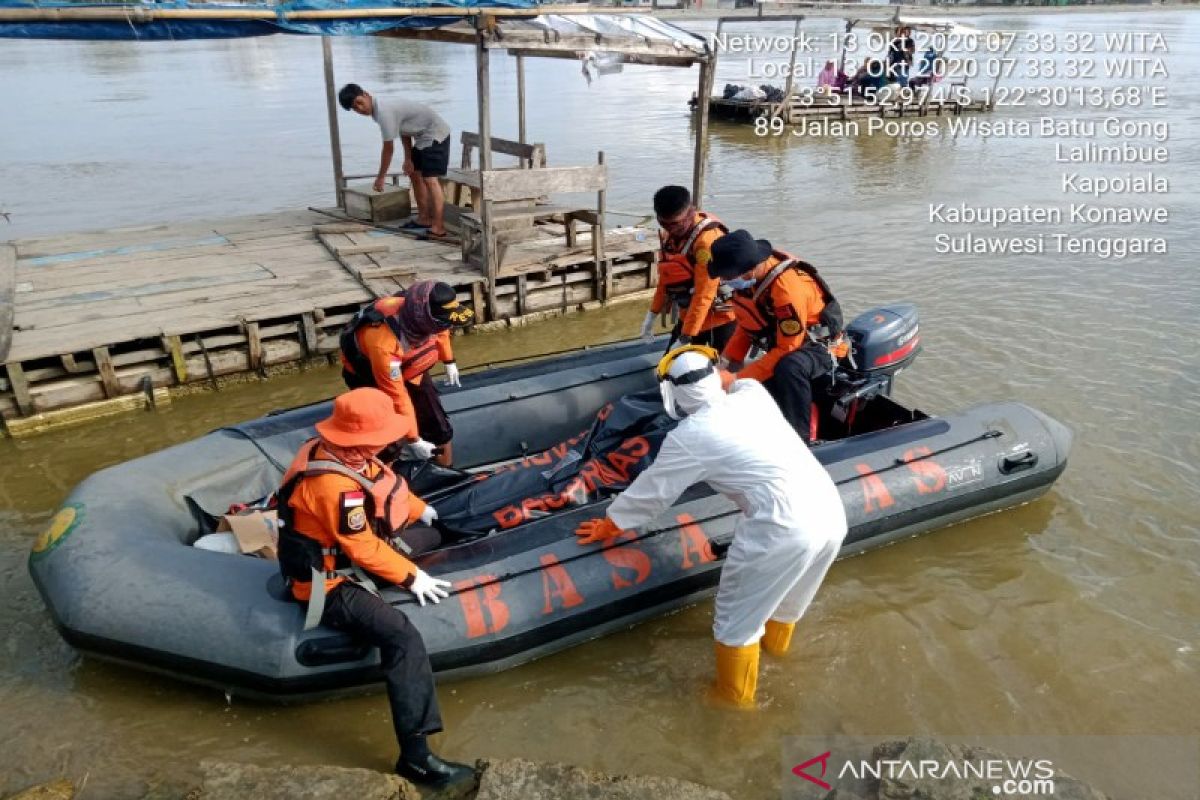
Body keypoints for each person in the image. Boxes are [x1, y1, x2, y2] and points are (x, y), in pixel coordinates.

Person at [574, 346, 848, 707]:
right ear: (714, 374)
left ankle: (733, 706)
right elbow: (734, 380)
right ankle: (780, 659)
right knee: (787, 602)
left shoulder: (690, 437)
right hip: (829, 509)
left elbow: (653, 492)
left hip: (782, 525)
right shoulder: (753, 395)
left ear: (671, 394)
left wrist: (611, 524)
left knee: (736, 624)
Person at [275, 388, 473, 787]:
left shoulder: (336, 451)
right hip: (327, 582)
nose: (389, 441)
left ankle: (417, 549)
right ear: (362, 439)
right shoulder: (333, 486)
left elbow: (384, 484)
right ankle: (416, 758)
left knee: (432, 537)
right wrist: (412, 577)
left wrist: (422, 511)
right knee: (401, 636)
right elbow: (360, 544)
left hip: (350, 556)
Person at [706, 230, 846, 444]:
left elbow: (787, 348)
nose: (725, 281)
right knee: (758, 381)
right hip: (787, 342)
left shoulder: (786, 289)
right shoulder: (749, 284)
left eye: (727, 277)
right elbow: (747, 325)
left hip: (822, 346)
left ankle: (801, 439)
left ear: (750, 270)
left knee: (789, 367)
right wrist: (724, 363)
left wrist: (737, 379)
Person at [340, 281, 474, 467]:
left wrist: (449, 360)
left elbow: (441, 328)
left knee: (437, 425)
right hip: (372, 376)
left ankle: (446, 471)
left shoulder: (424, 311)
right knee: (384, 434)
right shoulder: (384, 343)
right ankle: (385, 477)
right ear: (425, 319)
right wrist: (413, 439)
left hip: (411, 368)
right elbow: (397, 395)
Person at [338, 83, 452, 240]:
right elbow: (404, 129)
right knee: (414, 174)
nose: (360, 109)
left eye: (359, 103)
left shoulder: (384, 111)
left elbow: (388, 149)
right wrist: (408, 159)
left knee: (430, 179)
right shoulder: (379, 110)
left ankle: (438, 227)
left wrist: (381, 177)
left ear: (365, 94)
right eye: (355, 109)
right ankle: (424, 219)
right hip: (421, 136)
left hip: (436, 133)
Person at [640, 186, 737, 351]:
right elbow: (666, 277)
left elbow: (704, 293)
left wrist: (686, 336)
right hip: (690, 314)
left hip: (720, 317)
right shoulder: (669, 236)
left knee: (722, 371)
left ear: (691, 213)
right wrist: (652, 314)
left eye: (675, 224)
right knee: (670, 370)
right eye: (663, 223)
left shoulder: (706, 242)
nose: (670, 228)